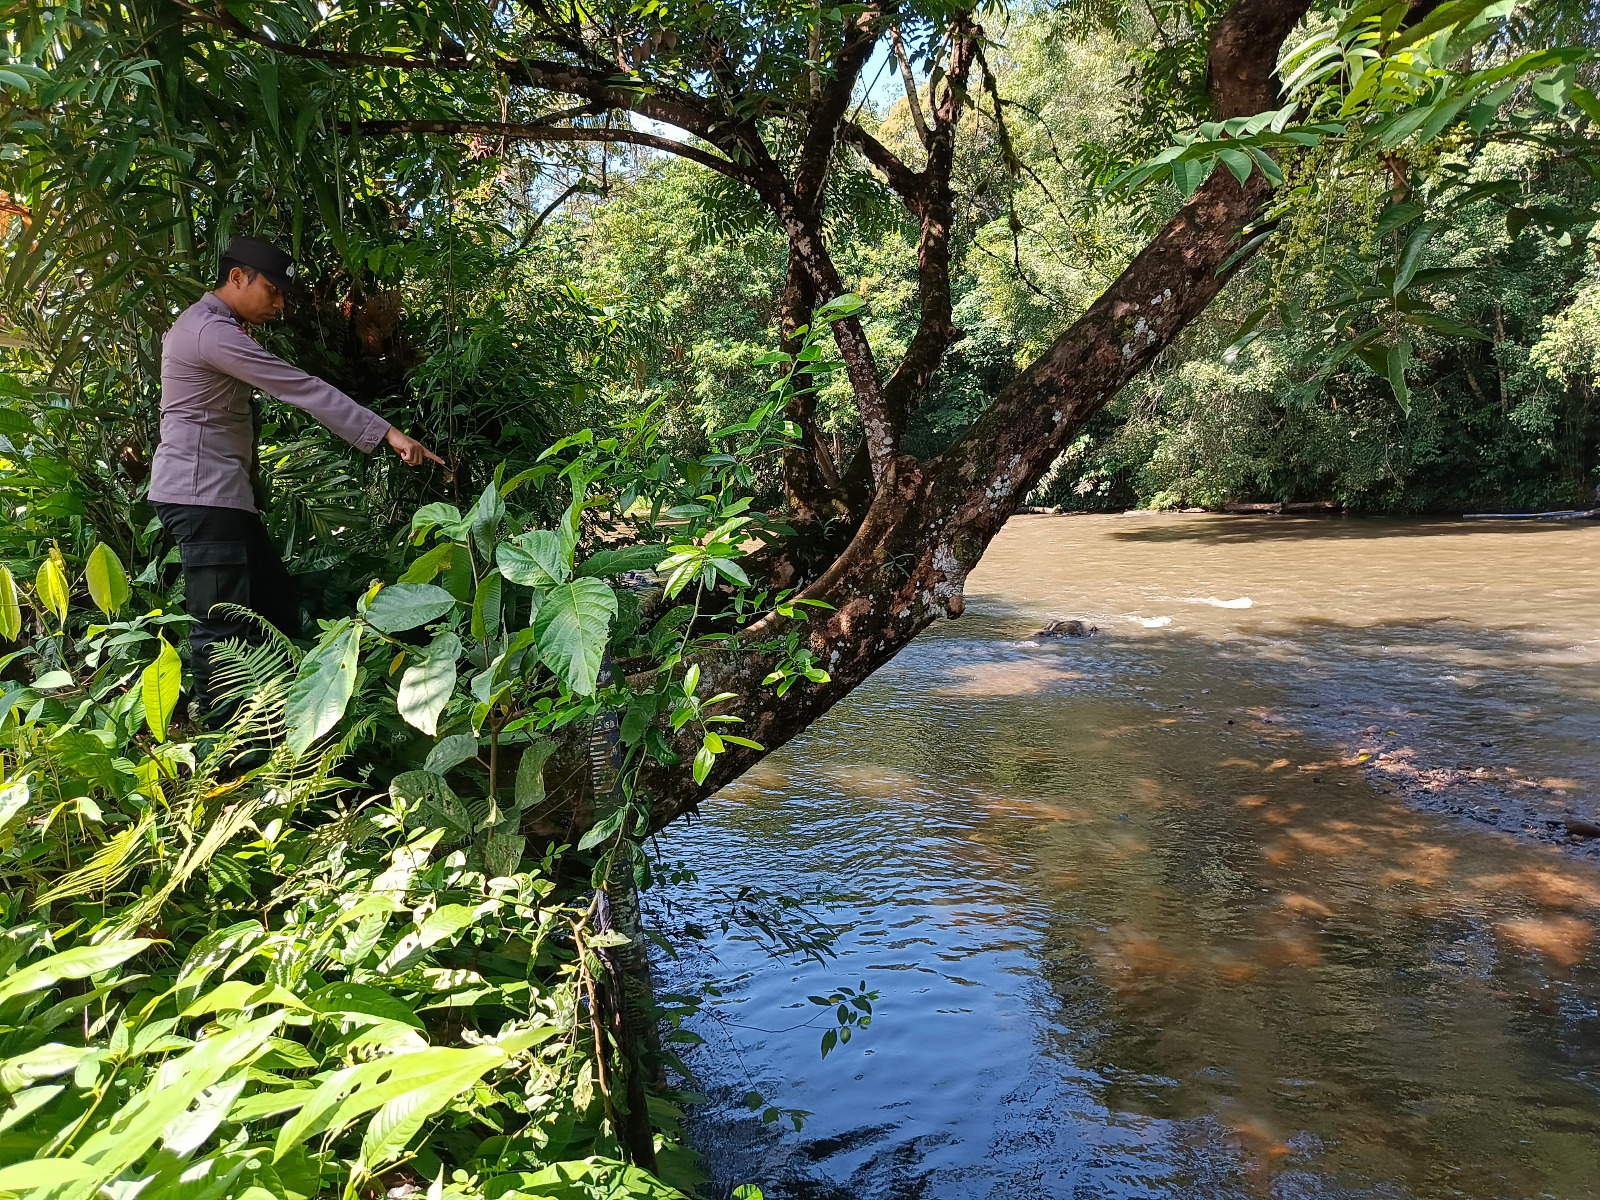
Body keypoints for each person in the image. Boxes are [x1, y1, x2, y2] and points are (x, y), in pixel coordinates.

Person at [151, 235, 444, 719]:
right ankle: (226, 751)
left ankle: (271, 725)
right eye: (274, 289)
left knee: (273, 610)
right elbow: (300, 388)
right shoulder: (210, 333)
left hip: (221, 495)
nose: (281, 303)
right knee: (220, 625)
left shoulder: (213, 325)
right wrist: (387, 433)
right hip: (202, 497)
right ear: (238, 277)